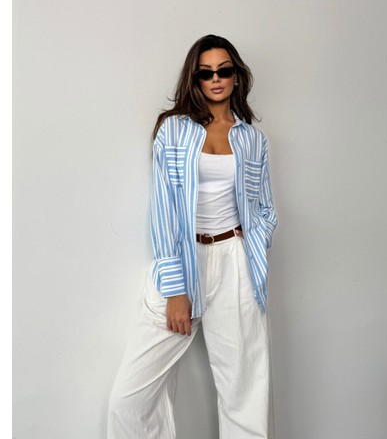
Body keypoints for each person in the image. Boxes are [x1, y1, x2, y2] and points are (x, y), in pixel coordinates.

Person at [107, 34, 278, 439]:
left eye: (224, 70)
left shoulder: (253, 139)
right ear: (195, 78)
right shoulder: (173, 131)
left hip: (235, 262)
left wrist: (254, 245)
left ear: (237, 76)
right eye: (206, 73)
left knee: (243, 394)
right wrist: (176, 289)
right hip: (185, 261)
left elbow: (265, 206)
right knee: (129, 399)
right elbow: (163, 208)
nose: (216, 78)